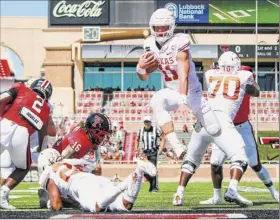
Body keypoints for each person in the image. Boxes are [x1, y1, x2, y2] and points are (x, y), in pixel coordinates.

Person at [173, 51, 260, 207]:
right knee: (241, 157)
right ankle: (232, 189)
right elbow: (256, 92)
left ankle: (179, 193)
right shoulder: (244, 76)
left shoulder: (210, 74)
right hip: (222, 122)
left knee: (191, 160)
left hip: (204, 119)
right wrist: (252, 83)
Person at [136, 8, 221, 160]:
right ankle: (177, 147)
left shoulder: (180, 41)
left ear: (171, 26)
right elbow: (144, 77)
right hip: (172, 90)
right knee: (156, 101)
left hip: (191, 91)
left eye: (164, 27)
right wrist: (140, 68)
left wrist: (183, 98)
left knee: (215, 129)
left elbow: (183, 72)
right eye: (157, 27)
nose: (160, 30)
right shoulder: (149, 44)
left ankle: (202, 128)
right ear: (152, 27)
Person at [200, 65, 279, 205]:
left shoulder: (244, 79)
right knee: (215, 163)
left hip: (241, 126)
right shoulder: (222, 80)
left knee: (255, 164)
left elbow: (256, 91)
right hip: (224, 126)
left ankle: (274, 192)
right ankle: (217, 196)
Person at [37, 149, 156, 212]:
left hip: (81, 187)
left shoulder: (48, 172)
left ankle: (122, 186)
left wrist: (51, 204)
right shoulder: (68, 162)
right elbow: (97, 168)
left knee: (97, 207)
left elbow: (57, 205)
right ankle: (139, 171)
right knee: (126, 204)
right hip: (94, 180)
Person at [38, 112, 112, 208]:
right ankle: (50, 194)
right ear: (93, 132)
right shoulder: (81, 142)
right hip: (52, 161)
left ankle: (58, 196)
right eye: (102, 135)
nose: (104, 138)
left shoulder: (87, 137)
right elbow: (61, 160)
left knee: (95, 170)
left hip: (58, 160)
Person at [0, 79, 52, 209]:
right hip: (22, 133)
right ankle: (3, 192)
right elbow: (44, 134)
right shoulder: (46, 108)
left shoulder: (22, 88)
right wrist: (43, 150)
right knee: (23, 168)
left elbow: (3, 97)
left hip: (4, 124)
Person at [135, 116, 165, 192]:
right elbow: (137, 139)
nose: (146, 123)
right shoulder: (140, 131)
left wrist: (161, 148)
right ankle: (152, 183)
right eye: (145, 122)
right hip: (144, 153)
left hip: (153, 152)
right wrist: (136, 149)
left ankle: (154, 188)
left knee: (153, 170)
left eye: (148, 122)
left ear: (150, 122)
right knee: (144, 171)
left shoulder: (155, 129)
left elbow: (163, 138)